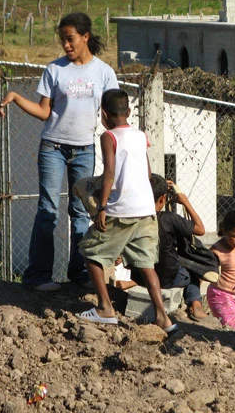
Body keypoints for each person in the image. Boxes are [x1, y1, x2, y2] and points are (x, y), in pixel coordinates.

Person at [0, 12, 119, 292]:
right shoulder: (54, 70)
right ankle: (38, 276)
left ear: (85, 37)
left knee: (80, 212)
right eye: (62, 40)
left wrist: (122, 142)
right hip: (52, 147)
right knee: (47, 211)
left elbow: (111, 114)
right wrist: (16, 97)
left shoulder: (104, 72)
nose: (65, 45)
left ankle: (79, 274)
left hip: (85, 151)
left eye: (70, 39)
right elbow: (44, 112)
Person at [76, 88, 176, 332]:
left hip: (121, 210)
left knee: (90, 250)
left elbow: (109, 173)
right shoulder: (141, 136)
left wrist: (101, 207)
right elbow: (149, 174)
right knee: (146, 265)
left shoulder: (108, 137)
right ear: (129, 112)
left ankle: (105, 309)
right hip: (146, 210)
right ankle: (163, 318)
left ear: (104, 114)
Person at [117, 174, 209, 320]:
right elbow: (200, 229)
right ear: (163, 199)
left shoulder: (131, 218)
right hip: (169, 279)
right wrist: (185, 201)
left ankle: (132, 282)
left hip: (141, 277)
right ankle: (195, 303)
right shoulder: (169, 219)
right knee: (193, 273)